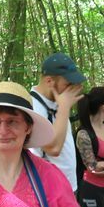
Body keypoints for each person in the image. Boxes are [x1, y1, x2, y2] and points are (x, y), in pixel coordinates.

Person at [30, 52, 85, 191]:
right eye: (68, 84)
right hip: (49, 192)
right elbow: (53, 148)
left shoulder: (58, 101)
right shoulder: (32, 108)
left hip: (69, 187)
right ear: (49, 81)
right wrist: (65, 107)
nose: (72, 89)